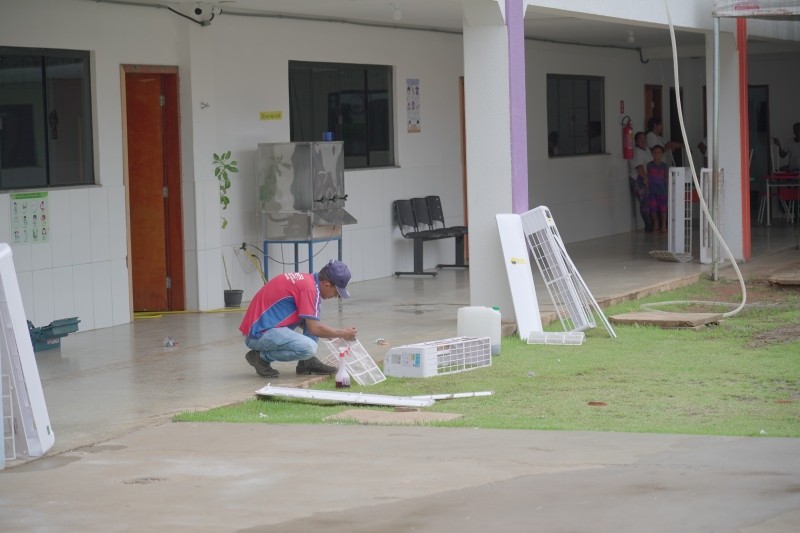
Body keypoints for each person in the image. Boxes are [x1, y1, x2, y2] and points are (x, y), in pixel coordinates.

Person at [240, 259, 358, 378]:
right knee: (309, 348)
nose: (336, 296)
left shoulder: (309, 282)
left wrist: (335, 334)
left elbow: (310, 323)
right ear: (326, 284)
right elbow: (314, 329)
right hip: (257, 335)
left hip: (262, 328)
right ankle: (260, 357)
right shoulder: (310, 289)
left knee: (313, 316)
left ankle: (306, 362)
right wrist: (341, 333)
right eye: (336, 292)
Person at [628, 131, 652, 231]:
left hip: (647, 179)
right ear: (636, 141)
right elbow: (639, 167)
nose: (643, 141)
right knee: (644, 202)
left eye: (644, 139)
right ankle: (648, 224)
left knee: (649, 201)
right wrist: (646, 178)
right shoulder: (636, 151)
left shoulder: (646, 150)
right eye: (640, 139)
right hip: (639, 179)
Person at [646, 144, 669, 234]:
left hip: (662, 191)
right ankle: (656, 223)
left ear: (662, 154)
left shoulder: (664, 165)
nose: (657, 154)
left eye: (659, 152)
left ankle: (663, 225)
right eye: (655, 152)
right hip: (652, 191)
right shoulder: (649, 165)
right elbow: (648, 177)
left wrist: (667, 188)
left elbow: (666, 177)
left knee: (663, 209)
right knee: (653, 209)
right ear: (652, 154)